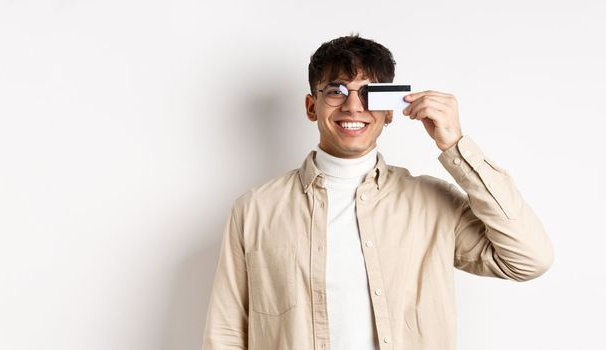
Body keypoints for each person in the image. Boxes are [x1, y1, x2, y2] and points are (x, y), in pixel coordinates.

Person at [201, 34, 554, 350]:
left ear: (390, 111)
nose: (353, 107)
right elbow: (226, 332)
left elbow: (529, 259)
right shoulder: (255, 209)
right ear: (312, 107)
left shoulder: (432, 204)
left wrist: (456, 146)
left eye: (370, 94)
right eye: (336, 91)